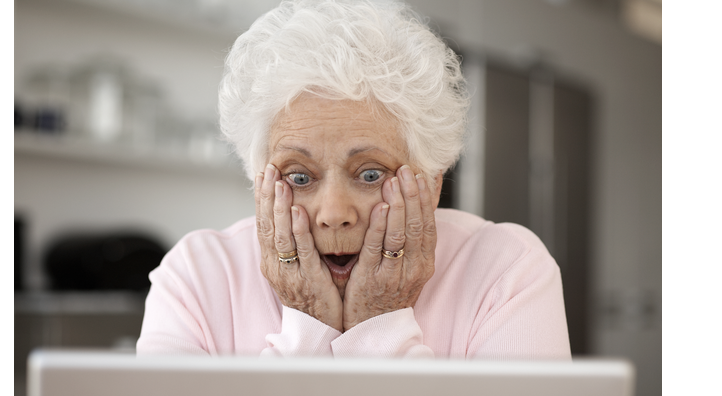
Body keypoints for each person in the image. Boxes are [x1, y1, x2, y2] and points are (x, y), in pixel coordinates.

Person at [136, 0, 571, 359]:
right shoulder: (193, 276)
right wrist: (308, 324)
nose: (333, 214)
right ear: (259, 180)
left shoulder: (507, 271)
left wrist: (380, 323)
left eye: (369, 173)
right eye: (300, 177)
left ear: (433, 180)